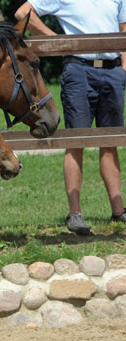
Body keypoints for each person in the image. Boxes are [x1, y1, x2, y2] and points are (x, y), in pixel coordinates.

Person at [15, 1, 126, 235]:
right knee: (76, 141)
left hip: (113, 70)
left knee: (110, 141)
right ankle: (75, 213)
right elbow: (23, 12)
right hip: (79, 70)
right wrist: (55, 39)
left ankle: (119, 210)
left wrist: (124, 68)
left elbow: (123, 30)